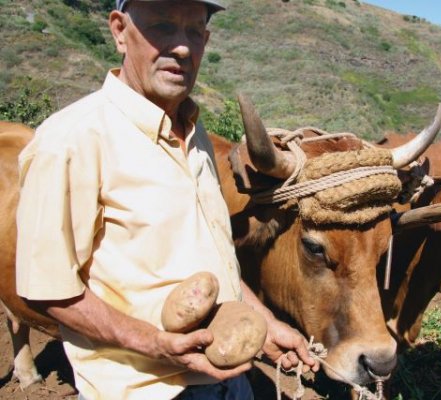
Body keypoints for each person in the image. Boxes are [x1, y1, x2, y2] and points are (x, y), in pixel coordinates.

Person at [15, 1, 318, 399]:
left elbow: (209, 257)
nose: (182, 47)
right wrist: (157, 344)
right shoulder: (71, 140)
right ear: (119, 30)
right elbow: (48, 289)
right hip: (146, 389)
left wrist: (263, 323)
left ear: (206, 41)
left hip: (227, 381)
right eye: (162, 25)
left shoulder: (197, 137)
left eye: (194, 31)